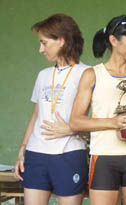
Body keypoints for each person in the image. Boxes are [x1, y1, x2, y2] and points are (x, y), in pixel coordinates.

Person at [69, 15, 126, 205]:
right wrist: (113, 123)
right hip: (103, 157)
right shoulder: (92, 75)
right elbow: (76, 121)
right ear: (113, 40)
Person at [14, 13, 89, 205]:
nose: (40, 49)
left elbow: (99, 119)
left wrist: (72, 129)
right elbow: (36, 116)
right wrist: (22, 149)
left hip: (69, 154)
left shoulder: (88, 73)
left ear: (61, 41)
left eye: (44, 43)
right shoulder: (43, 75)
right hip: (36, 153)